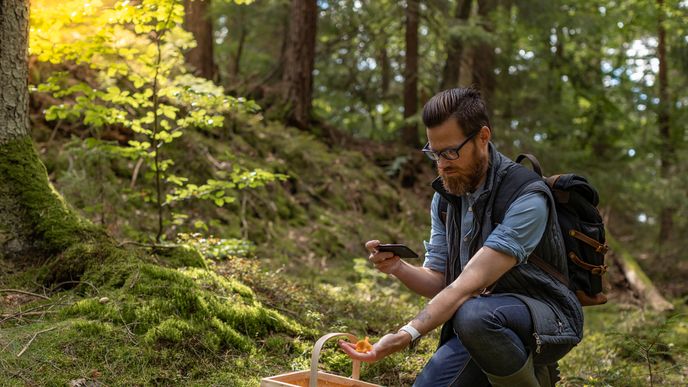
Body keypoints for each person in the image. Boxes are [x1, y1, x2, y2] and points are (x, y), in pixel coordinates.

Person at [339, 88, 583, 386]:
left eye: (451, 152)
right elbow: (442, 283)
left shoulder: (527, 196)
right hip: (479, 322)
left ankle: (533, 375)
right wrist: (399, 268)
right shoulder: (446, 197)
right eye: (434, 153)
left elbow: (467, 285)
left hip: (546, 321)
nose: (441, 164)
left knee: (473, 315)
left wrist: (405, 335)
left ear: (483, 136)